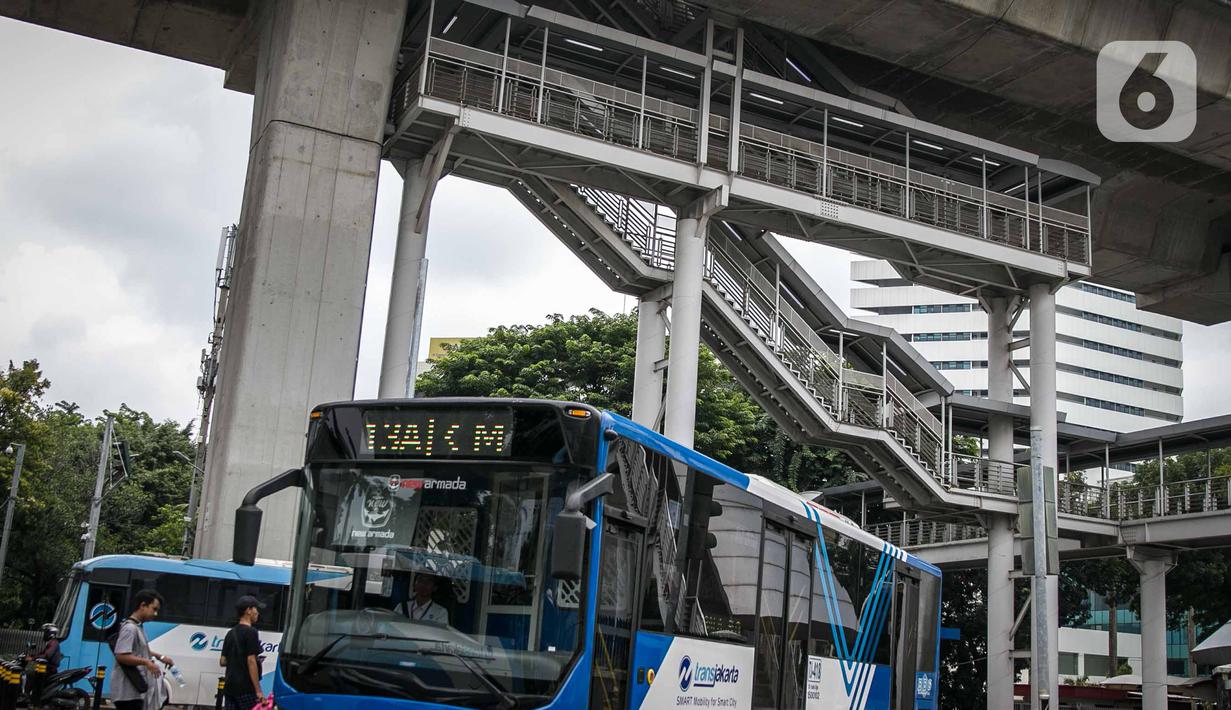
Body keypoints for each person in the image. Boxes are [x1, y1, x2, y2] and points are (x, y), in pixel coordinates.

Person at [110, 589, 174, 710]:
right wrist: (146, 662)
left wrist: (161, 657)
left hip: (134, 690)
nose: (155, 614)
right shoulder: (130, 629)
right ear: (143, 605)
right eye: (154, 609)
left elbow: (140, 650)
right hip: (127, 691)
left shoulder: (138, 627)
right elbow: (121, 655)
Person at [220, 595, 266, 710]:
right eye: (256, 609)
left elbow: (222, 661)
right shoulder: (252, 632)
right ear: (248, 611)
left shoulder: (230, 633)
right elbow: (251, 661)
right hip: (245, 689)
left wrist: (236, 659)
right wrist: (258, 691)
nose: (258, 613)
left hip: (230, 687)